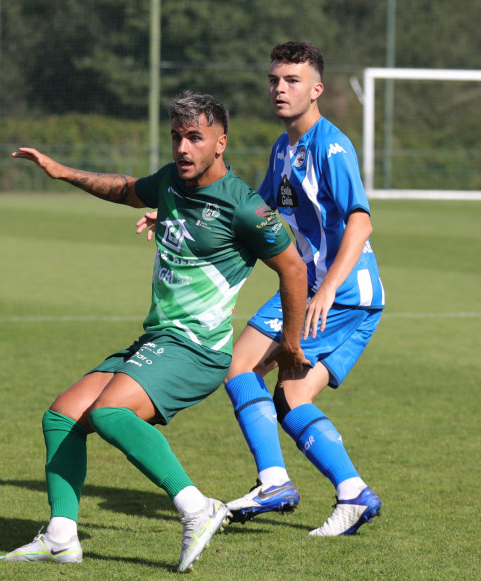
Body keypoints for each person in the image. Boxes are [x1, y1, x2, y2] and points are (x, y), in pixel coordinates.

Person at [0, 91, 308, 573]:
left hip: (197, 349)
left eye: (195, 138)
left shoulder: (245, 208)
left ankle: (196, 507)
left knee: (111, 413)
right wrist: (63, 173)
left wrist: (290, 343)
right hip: (159, 339)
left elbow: (293, 269)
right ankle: (61, 536)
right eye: (176, 137)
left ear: (220, 143)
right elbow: (124, 189)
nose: (183, 148)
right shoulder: (169, 182)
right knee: (62, 416)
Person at [138, 42, 385, 537]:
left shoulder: (331, 146)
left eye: (292, 80)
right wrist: (177, 210)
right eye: (274, 79)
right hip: (346, 297)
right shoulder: (284, 147)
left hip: (338, 293)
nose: (279, 88)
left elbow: (360, 222)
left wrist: (326, 289)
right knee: (291, 400)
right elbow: (255, 211)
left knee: (238, 363)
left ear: (316, 89)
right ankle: (354, 493)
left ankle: (274, 482)